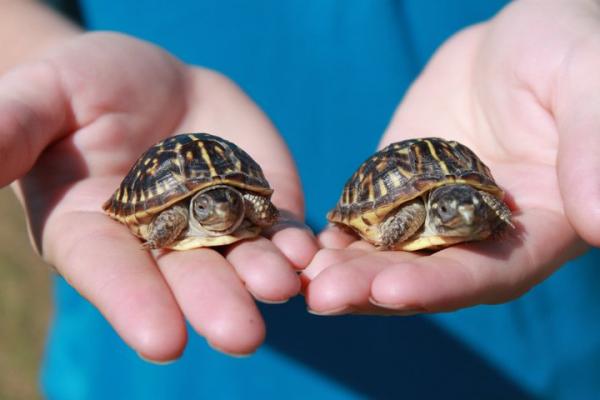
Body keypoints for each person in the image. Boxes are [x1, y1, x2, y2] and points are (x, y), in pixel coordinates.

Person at [2, 0, 599, 398]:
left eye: (224, 207)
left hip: (543, 353)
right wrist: (34, 47)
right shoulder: (193, 210)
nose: (221, 213)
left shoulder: (251, 206)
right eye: (210, 210)